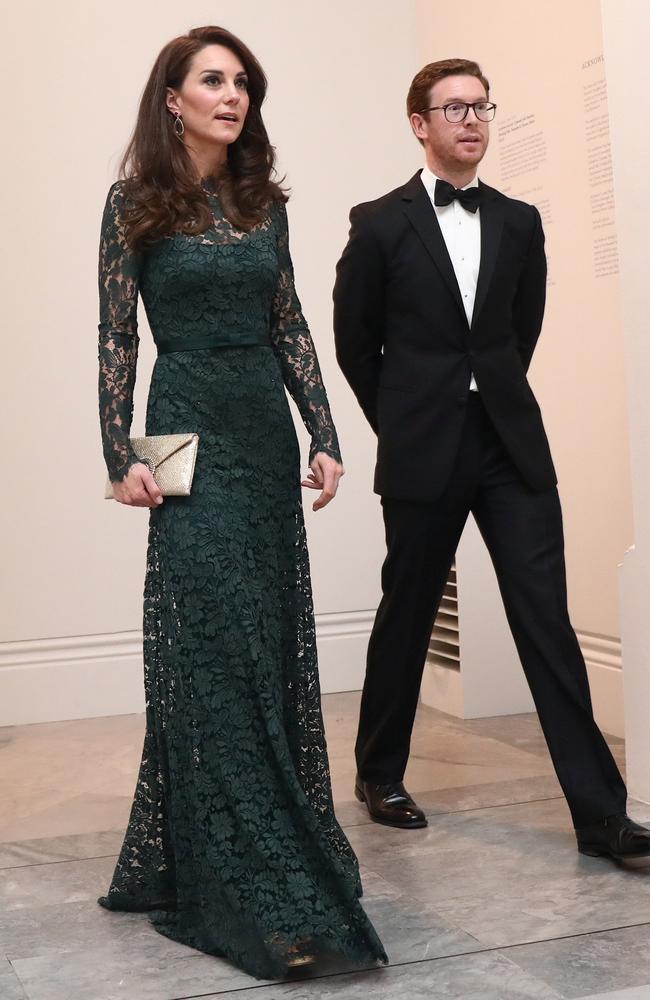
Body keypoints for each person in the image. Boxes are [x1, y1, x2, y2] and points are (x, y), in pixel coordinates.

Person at [96, 25, 386, 980]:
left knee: (260, 642)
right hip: (182, 426)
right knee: (206, 644)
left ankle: (263, 844)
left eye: (242, 84)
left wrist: (327, 433)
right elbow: (118, 341)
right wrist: (119, 453)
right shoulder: (133, 202)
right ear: (171, 98)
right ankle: (239, 879)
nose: (232, 95)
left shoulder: (265, 205)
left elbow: (289, 320)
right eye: (212, 81)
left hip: (262, 431)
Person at [333, 57, 650, 866]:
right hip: (423, 448)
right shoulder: (377, 224)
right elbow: (354, 345)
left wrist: (490, 397)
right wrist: (404, 424)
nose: (471, 121)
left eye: (481, 107)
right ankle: (379, 774)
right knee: (406, 609)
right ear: (420, 123)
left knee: (545, 618)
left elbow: (520, 331)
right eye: (453, 108)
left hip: (510, 445)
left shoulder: (521, 221)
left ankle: (601, 816)